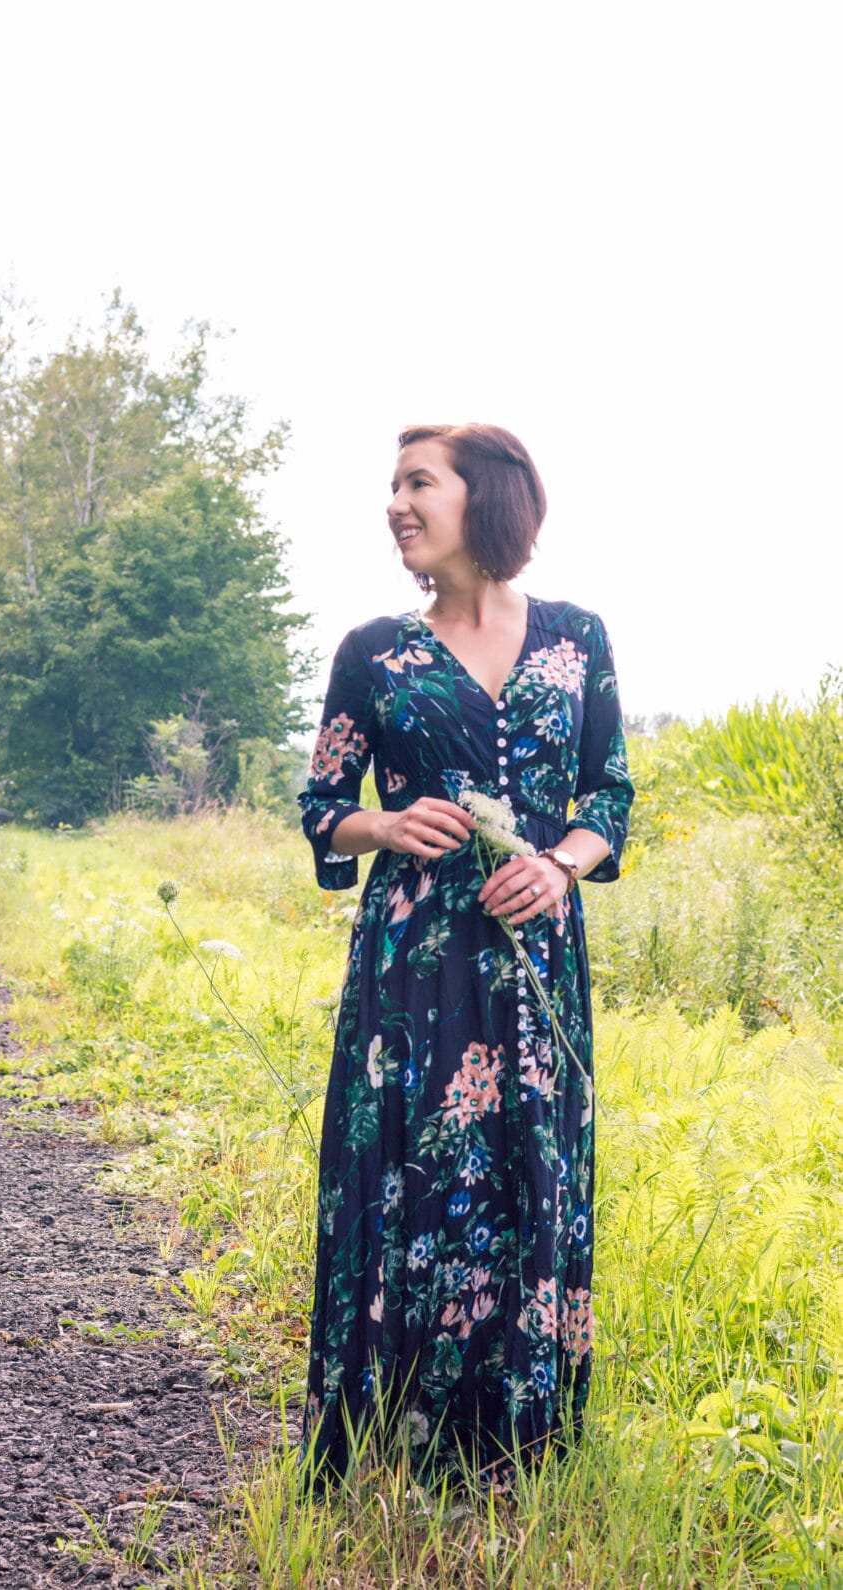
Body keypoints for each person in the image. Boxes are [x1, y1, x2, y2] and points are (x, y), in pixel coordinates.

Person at [297, 423, 633, 1490]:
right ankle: (393, 1428)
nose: (394, 504)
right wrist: (383, 829)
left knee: (525, 1172)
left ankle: (514, 1437)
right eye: (390, 488)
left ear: (483, 496)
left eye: (416, 484)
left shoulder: (578, 638)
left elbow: (609, 798)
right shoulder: (372, 652)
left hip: (534, 968)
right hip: (413, 968)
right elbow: (318, 809)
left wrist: (561, 866)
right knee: (411, 1172)